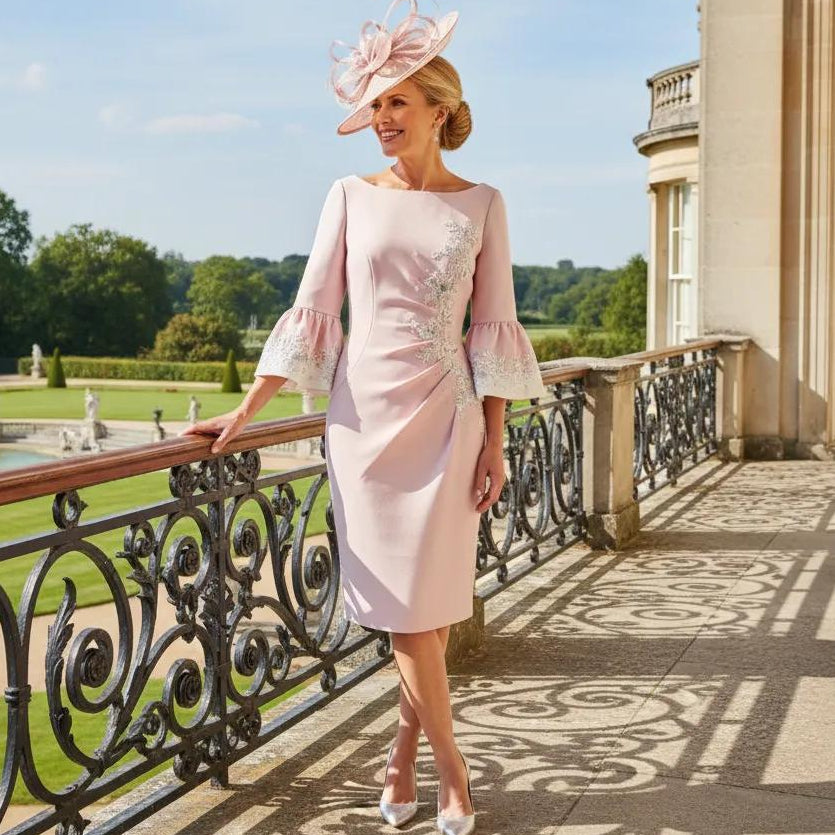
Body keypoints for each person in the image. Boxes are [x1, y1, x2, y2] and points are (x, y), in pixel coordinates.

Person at [182, 2, 547, 832]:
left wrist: (494, 437)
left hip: (448, 423)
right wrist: (245, 410)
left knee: (428, 610)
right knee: (408, 614)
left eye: (395, 104)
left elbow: (491, 328)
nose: (380, 121)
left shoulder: (483, 202)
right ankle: (451, 773)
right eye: (374, 105)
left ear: (439, 111)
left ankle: (403, 757)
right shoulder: (348, 194)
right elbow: (314, 309)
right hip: (361, 431)